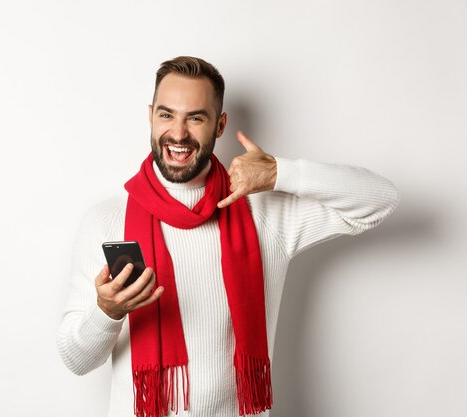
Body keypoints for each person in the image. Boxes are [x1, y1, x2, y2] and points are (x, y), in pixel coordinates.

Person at [57, 56, 400, 417]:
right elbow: (75, 359)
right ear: (150, 115)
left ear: (220, 125)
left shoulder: (263, 213)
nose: (178, 133)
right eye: (166, 114)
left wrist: (281, 173)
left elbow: (380, 199)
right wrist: (107, 312)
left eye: (196, 117)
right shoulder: (108, 220)